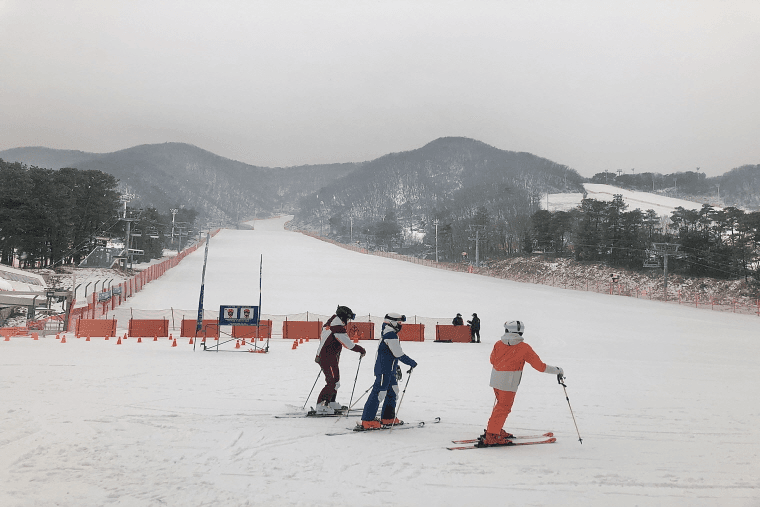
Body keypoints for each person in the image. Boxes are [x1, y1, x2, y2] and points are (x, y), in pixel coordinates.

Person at [481, 320, 563, 445]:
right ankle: (492, 435)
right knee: (503, 408)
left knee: (500, 407)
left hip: (495, 379)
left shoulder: (498, 344)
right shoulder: (524, 347)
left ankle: (495, 429)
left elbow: (492, 360)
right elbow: (540, 367)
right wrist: (557, 370)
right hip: (509, 382)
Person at [360, 313, 418, 429]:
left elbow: (391, 354)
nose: (400, 325)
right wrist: (411, 362)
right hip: (384, 370)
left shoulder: (389, 334)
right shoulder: (390, 335)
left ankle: (388, 418)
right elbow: (398, 353)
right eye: (399, 323)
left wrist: (395, 366)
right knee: (379, 393)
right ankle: (367, 420)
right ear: (392, 322)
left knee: (393, 392)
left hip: (390, 370)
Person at [314, 305, 366, 414]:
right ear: (343, 317)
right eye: (347, 318)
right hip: (327, 358)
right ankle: (321, 405)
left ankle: (331, 402)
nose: (347, 321)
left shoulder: (331, 322)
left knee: (336, 381)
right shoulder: (336, 327)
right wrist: (361, 350)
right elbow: (348, 345)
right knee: (331, 382)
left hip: (329, 357)